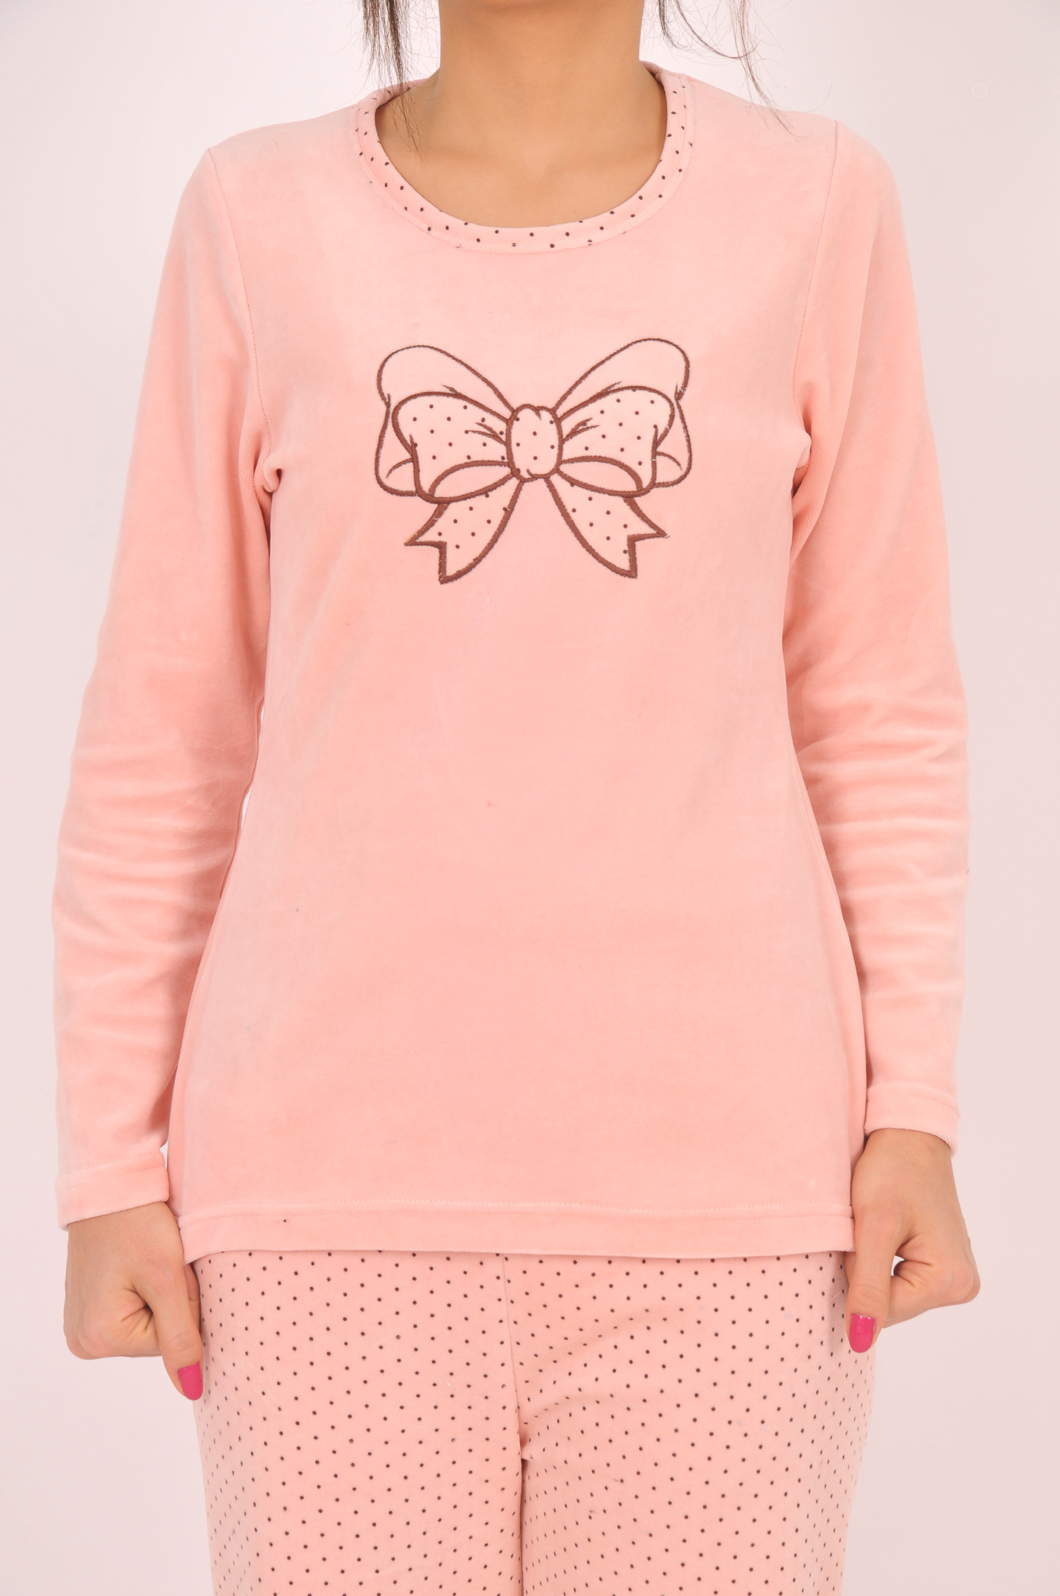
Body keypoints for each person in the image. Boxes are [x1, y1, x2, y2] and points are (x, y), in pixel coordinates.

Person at [56, 1, 980, 1590]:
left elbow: (878, 710)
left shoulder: (818, 203)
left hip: (740, 1206)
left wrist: (915, 1114)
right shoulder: (255, 215)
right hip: (321, 1204)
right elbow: (169, 730)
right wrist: (106, 1168)